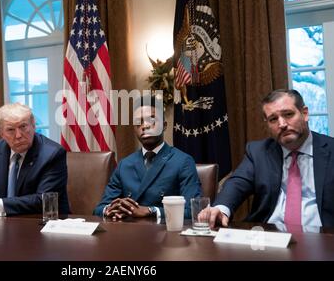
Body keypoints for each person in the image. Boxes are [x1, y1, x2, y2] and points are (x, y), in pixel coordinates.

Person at [205, 89, 334, 228]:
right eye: (273, 119)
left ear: (304, 113)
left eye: (288, 114)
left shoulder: (330, 149)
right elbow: (237, 183)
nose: (282, 124)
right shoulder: (259, 152)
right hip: (268, 237)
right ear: (267, 123)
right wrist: (221, 208)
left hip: (323, 237)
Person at [94, 95, 201, 220]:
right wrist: (111, 209)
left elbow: (193, 211)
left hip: (164, 235)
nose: (144, 126)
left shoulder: (182, 161)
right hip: (128, 234)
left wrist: (151, 210)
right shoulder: (125, 165)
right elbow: (99, 209)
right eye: (138, 122)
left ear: (165, 125)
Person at [0, 103, 70, 217]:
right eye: (10, 130)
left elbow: (43, 200)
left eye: (23, 127)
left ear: (33, 125)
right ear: (1, 133)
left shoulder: (52, 154)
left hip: (39, 223)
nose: (18, 135)